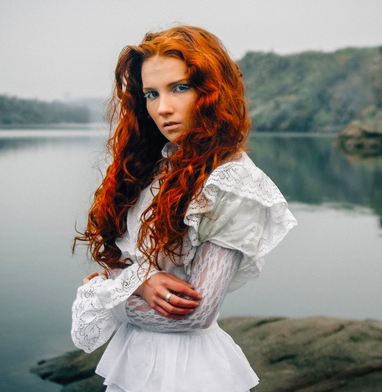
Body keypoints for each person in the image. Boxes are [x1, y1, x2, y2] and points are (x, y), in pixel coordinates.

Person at [71, 25, 297, 392]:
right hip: (137, 360)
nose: (162, 108)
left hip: (188, 373)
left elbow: (195, 314)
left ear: (213, 90)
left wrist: (105, 295)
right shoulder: (160, 165)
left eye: (180, 87)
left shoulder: (234, 184)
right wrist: (137, 283)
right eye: (150, 94)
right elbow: (128, 266)